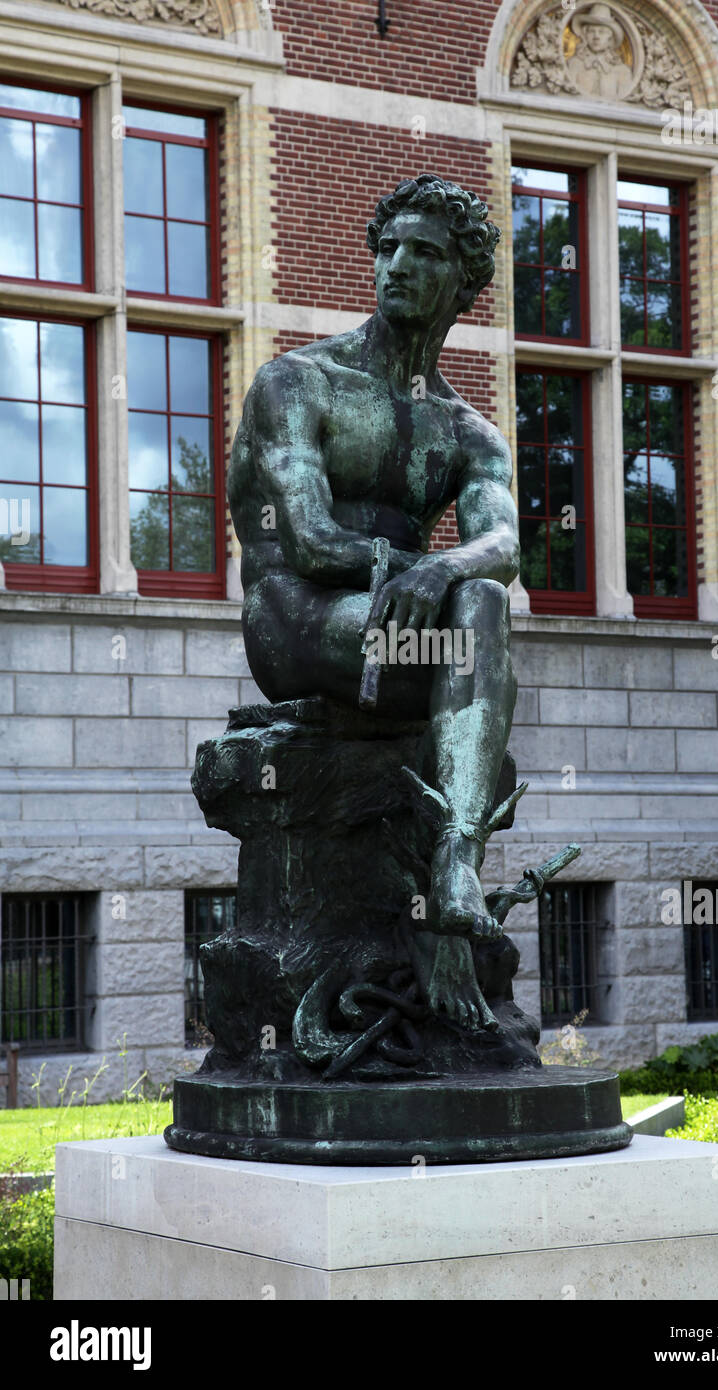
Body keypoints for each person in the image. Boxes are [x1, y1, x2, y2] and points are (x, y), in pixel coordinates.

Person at [228, 175, 522, 1031]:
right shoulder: (299, 382)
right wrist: (414, 567)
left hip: (396, 635)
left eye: (423, 253)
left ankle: (452, 860)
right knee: (468, 607)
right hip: (297, 622)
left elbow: (502, 546)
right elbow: (313, 539)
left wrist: (438, 574)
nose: (396, 266)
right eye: (388, 247)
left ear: (461, 284)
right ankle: (442, 874)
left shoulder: (468, 433)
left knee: (482, 605)